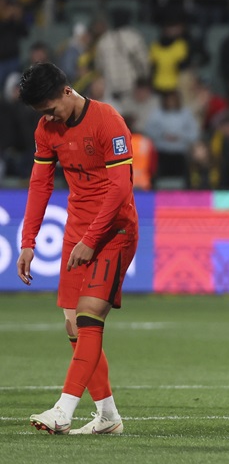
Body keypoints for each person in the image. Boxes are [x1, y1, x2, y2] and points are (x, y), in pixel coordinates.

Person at [16, 62, 139, 435]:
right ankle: (107, 417)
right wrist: (27, 241)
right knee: (73, 325)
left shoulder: (108, 121)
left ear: (67, 92)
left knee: (88, 316)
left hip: (114, 230)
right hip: (77, 233)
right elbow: (40, 185)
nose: (49, 117)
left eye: (51, 108)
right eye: (42, 113)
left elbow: (120, 190)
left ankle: (64, 409)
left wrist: (90, 240)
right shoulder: (46, 129)